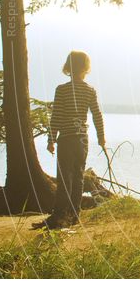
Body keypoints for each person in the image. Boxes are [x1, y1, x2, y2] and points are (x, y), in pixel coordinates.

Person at [34, 50, 106, 230]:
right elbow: (97, 115)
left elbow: (56, 117)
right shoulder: (89, 90)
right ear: (86, 68)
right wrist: (101, 138)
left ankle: (59, 215)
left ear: (68, 67)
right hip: (82, 140)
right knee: (78, 177)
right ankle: (74, 215)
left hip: (66, 139)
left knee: (64, 178)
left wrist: (51, 139)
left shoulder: (62, 90)